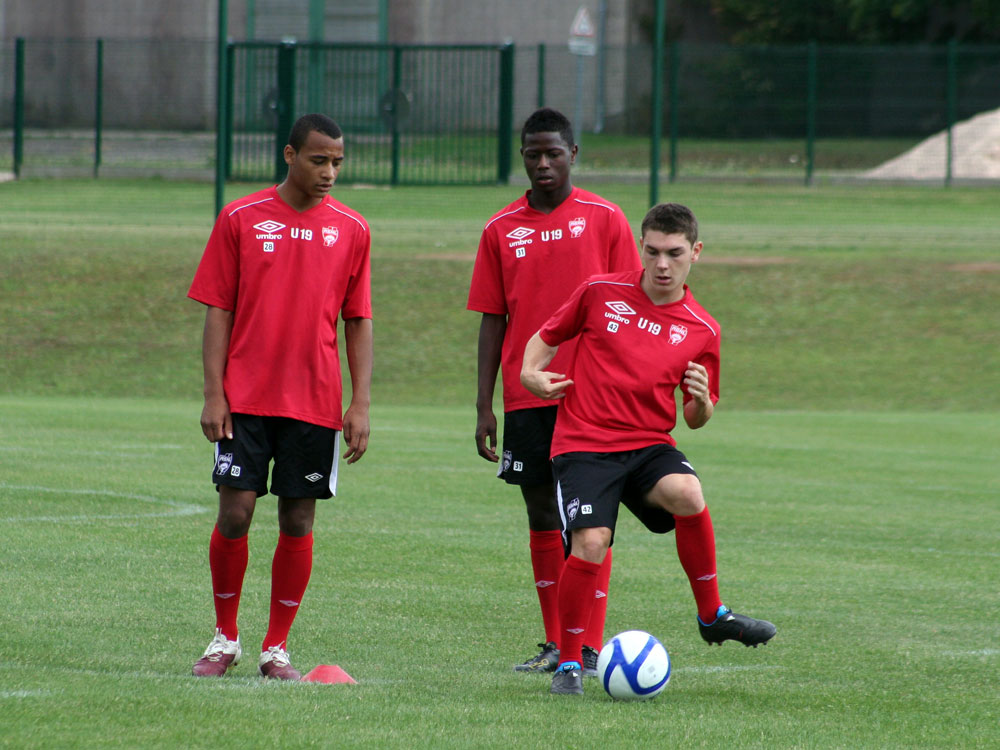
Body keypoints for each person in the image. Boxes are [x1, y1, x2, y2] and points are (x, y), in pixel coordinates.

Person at [520, 202, 776, 696]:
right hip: (584, 444)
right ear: (641, 246)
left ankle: (712, 615)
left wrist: (702, 401)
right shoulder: (599, 292)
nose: (662, 264)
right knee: (591, 543)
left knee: (688, 492)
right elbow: (546, 336)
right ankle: (569, 663)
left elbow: (695, 418)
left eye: (674, 253)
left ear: (695, 252)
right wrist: (531, 373)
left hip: (647, 444)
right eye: (653, 251)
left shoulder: (702, 328)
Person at [186, 113, 373, 681]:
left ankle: (276, 649)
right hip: (245, 398)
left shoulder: (352, 229)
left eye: (337, 162)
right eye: (319, 160)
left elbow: (358, 319)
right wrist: (213, 393)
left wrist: (360, 403)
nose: (329, 172)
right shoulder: (241, 217)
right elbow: (218, 309)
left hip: (314, 401)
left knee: (297, 519)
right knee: (235, 511)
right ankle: (224, 638)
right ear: (290, 155)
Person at [467, 108, 642, 675]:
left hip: (592, 398)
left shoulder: (605, 219)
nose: (543, 163)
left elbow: (632, 306)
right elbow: (492, 319)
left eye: (553, 153)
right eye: (532, 154)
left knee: (590, 519)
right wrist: (484, 403)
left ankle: (586, 644)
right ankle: (554, 642)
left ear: (573, 154)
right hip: (526, 396)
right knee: (541, 510)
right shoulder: (500, 228)